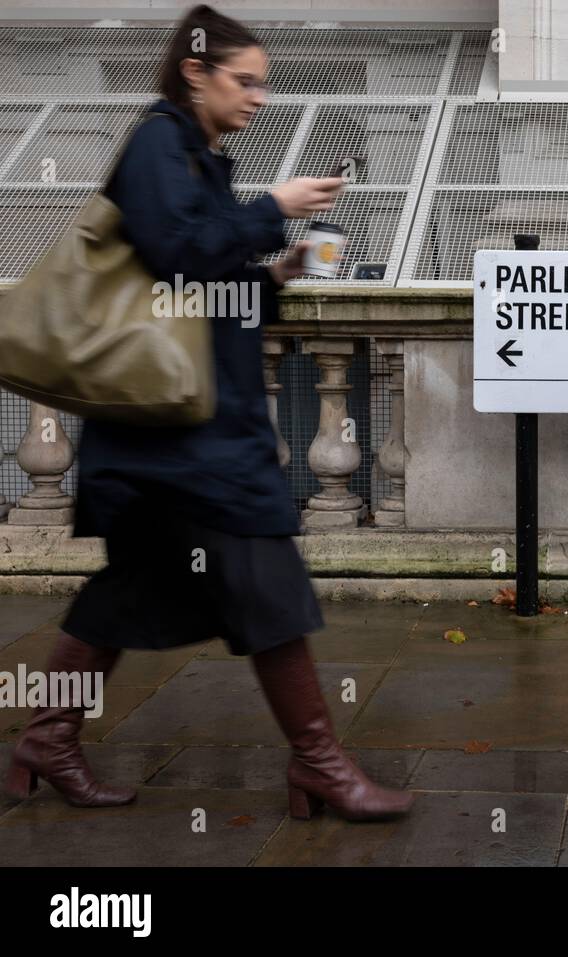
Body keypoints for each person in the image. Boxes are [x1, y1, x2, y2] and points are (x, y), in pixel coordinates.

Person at [3, 5, 413, 823]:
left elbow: (194, 287)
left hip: (174, 432)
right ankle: (320, 767)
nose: (260, 96)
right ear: (195, 70)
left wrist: (275, 272)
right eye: (245, 79)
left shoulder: (198, 156)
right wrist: (274, 207)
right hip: (179, 436)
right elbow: (178, 249)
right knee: (265, 576)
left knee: (125, 593)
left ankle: (48, 738)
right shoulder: (160, 140)